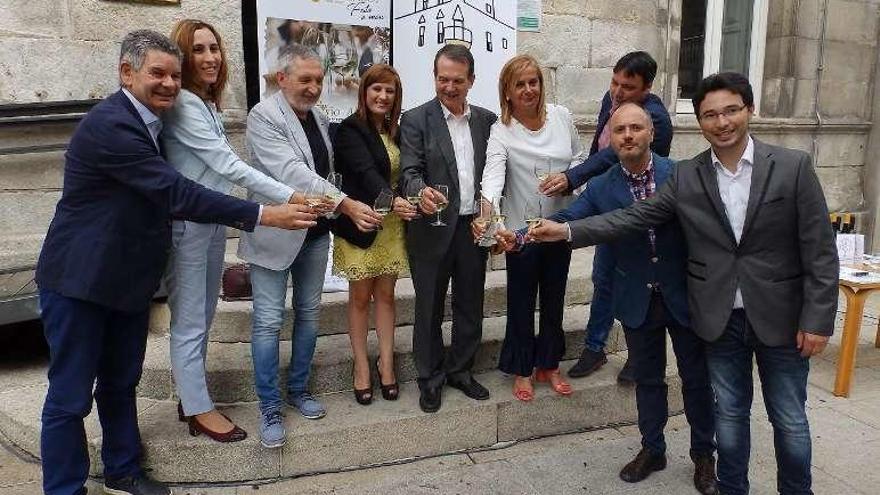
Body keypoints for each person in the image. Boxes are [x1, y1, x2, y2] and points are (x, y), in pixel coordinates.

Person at [528, 72, 839, 495]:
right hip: (702, 312)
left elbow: (819, 250)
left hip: (754, 312)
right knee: (726, 412)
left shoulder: (782, 167)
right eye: (710, 114)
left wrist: (818, 319)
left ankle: (761, 479)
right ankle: (702, 472)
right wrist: (557, 231)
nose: (722, 121)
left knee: (786, 417)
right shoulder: (684, 177)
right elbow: (628, 217)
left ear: (749, 110)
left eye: (730, 110)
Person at [35, 30, 316, 495]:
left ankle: (124, 470)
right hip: (79, 281)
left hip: (127, 280)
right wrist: (265, 214)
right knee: (69, 398)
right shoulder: (112, 124)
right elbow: (175, 191)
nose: (169, 84)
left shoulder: (156, 120)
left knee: (120, 383)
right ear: (126, 73)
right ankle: (65, 489)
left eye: (174, 75)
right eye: (157, 74)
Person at [539, 102, 718, 493]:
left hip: (684, 295)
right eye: (619, 131)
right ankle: (653, 449)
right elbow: (572, 219)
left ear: (651, 133)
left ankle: (704, 455)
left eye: (636, 128)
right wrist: (524, 233)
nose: (628, 136)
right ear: (611, 139)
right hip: (637, 297)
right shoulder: (603, 186)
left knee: (696, 379)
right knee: (649, 380)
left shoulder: (682, 174)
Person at [161, 19, 310, 443]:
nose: (210, 57)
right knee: (191, 321)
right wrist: (288, 196)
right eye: (198, 50)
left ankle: (192, 396)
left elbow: (223, 168)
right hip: (188, 226)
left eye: (215, 48)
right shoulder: (186, 104)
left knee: (203, 316)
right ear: (182, 57)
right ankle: (198, 409)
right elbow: (230, 166)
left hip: (209, 223)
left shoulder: (205, 103)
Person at [238, 44, 382, 449]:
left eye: (318, 80)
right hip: (273, 236)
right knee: (268, 322)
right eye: (305, 79)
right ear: (281, 78)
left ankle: (298, 390)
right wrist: (346, 204)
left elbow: (332, 171)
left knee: (309, 316)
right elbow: (292, 174)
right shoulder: (263, 116)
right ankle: (269, 405)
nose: (313, 87)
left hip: (315, 234)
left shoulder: (319, 119)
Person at [542, 51, 674, 382]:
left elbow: (614, 157)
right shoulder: (610, 97)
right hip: (608, 203)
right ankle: (594, 347)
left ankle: (637, 355)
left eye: (627, 87)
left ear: (647, 89)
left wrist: (574, 177)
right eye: (614, 82)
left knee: (639, 287)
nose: (617, 92)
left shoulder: (655, 119)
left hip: (640, 218)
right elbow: (601, 144)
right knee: (603, 278)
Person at [477, 54, 586, 401]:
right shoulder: (501, 130)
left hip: (558, 225)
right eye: (519, 84)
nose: (528, 90)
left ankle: (549, 365)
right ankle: (523, 368)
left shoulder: (562, 116)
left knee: (554, 300)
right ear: (507, 92)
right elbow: (492, 180)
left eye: (533, 82)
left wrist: (568, 181)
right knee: (521, 301)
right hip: (520, 232)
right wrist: (488, 221)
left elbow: (580, 159)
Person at [399, 44, 497, 413]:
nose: (449, 87)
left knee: (471, 302)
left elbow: (495, 172)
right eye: (443, 79)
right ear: (434, 77)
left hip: (474, 227)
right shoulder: (415, 119)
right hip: (432, 227)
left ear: (471, 80)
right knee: (429, 307)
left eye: (457, 80)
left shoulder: (488, 121)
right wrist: (418, 192)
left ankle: (461, 370)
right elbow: (409, 171)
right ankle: (430, 377)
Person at [332, 64, 417, 405]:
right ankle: (361, 367)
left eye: (390, 91)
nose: (383, 96)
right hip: (363, 223)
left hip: (393, 226)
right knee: (359, 298)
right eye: (376, 89)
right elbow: (367, 175)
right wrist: (395, 201)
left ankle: (387, 364)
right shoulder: (350, 130)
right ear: (364, 92)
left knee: (386, 296)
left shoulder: (398, 132)